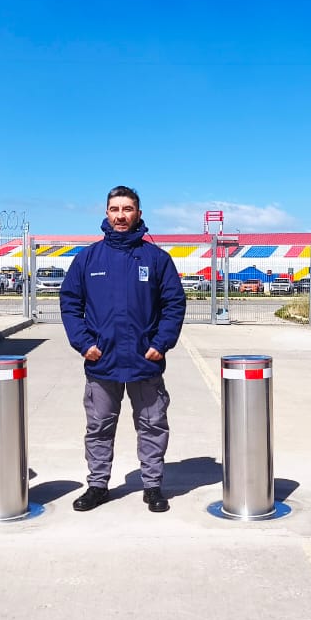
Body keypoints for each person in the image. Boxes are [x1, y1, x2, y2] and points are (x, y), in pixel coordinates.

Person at [59, 185, 187, 513]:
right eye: (115, 209)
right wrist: (84, 343)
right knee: (99, 426)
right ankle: (98, 485)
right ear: (106, 213)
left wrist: (161, 344)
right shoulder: (88, 258)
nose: (120, 216)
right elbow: (70, 302)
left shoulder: (157, 259)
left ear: (138, 214)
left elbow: (174, 303)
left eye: (127, 209)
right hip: (103, 361)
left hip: (145, 361)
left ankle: (153, 486)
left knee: (152, 424)